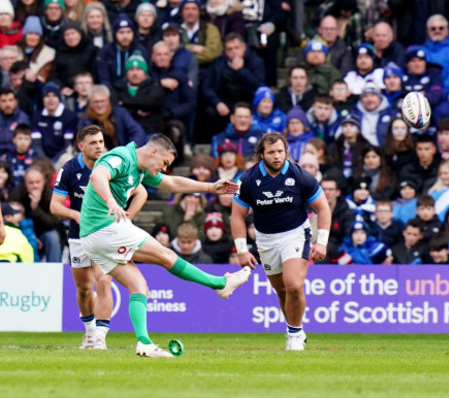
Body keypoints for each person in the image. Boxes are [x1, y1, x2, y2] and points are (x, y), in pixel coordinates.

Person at [79, 133, 249, 357]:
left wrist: (210, 187)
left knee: (139, 287)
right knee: (166, 255)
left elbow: (172, 182)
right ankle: (219, 283)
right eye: (165, 163)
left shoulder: (140, 169)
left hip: (92, 238)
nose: (164, 168)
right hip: (104, 227)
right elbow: (97, 176)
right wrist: (111, 202)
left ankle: (144, 343)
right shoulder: (122, 156)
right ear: (153, 152)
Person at [232, 132, 331, 351]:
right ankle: (295, 329)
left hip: (295, 233)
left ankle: (294, 335)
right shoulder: (249, 179)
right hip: (266, 239)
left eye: (281, 151)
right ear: (261, 155)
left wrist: (321, 241)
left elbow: (323, 207)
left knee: (294, 284)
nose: (277, 156)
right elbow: (237, 215)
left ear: (287, 152)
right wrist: (241, 250)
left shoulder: (300, 176)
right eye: (271, 152)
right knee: (282, 291)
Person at [50, 126, 143, 350]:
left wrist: (128, 217)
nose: (99, 146)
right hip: (78, 236)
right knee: (83, 288)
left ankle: (100, 336)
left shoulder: (112, 165)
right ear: (81, 146)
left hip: (107, 233)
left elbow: (141, 192)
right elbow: (54, 206)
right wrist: (75, 214)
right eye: (93, 143)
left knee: (104, 280)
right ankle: (90, 332)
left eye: (101, 141)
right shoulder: (70, 169)